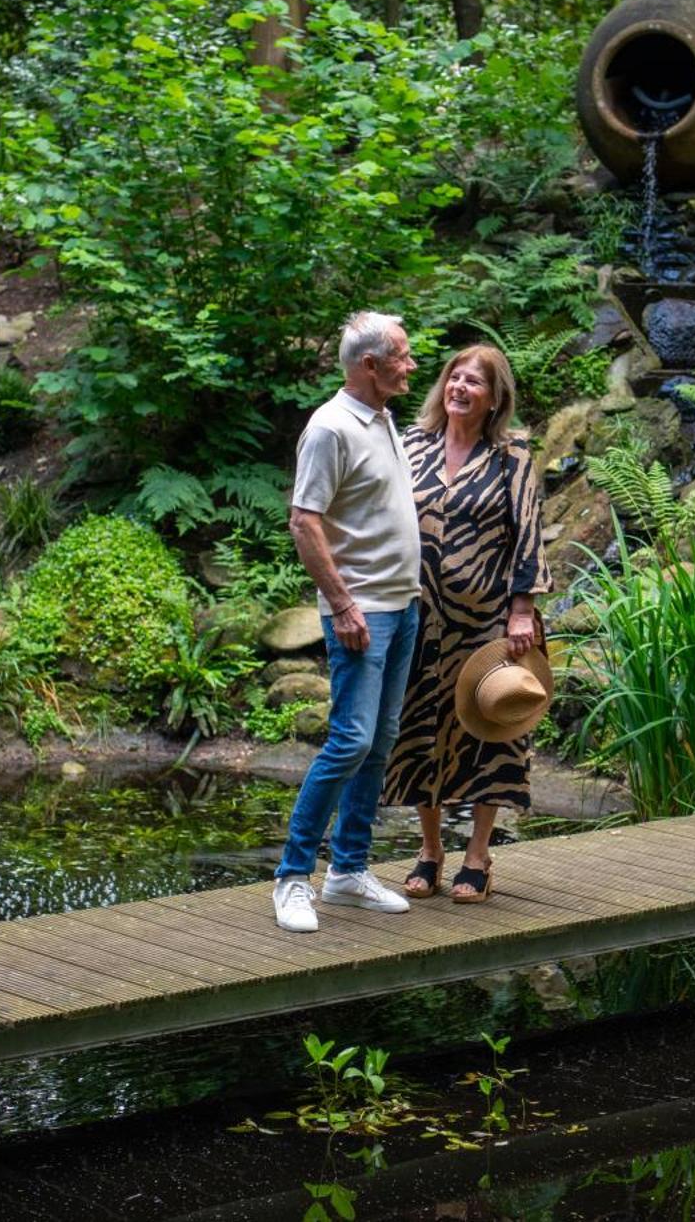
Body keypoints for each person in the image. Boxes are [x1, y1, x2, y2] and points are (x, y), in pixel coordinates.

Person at [272, 311, 424, 933]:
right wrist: (341, 604)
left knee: (379, 740)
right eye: (404, 357)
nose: (413, 366)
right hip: (363, 612)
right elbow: (305, 522)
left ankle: (348, 872)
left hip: (402, 605)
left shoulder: (384, 418)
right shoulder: (331, 428)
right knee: (351, 740)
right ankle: (291, 878)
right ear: (370, 365)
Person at [384, 343, 551, 904]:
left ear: (493, 397)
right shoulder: (410, 445)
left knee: (490, 732)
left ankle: (477, 854)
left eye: (474, 382)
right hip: (419, 614)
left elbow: (528, 533)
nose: (460, 387)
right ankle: (430, 850)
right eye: (455, 377)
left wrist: (522, 608)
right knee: (418, 731)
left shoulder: (513, 456)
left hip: (488, 623)